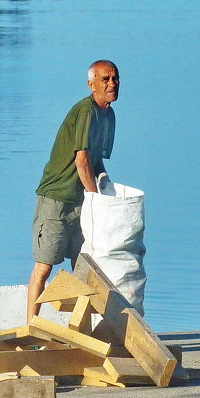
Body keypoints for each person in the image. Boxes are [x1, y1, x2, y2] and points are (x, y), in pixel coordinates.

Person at [27, 60, 120, 319]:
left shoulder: (108, 115)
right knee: (43, 267)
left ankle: (81, 329)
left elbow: (96, 160)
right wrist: (95, 198)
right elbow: (81, 160)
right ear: (92, 85)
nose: (111, 84)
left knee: (85, 266)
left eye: (115, 78)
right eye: (105, 79)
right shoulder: (86, 111)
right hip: (56, 199)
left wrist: (108, 190)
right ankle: (30, 328)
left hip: (82, 203)